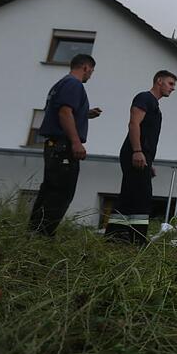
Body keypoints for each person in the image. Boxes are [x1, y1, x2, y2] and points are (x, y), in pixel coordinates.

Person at [28, 53, 102, 236]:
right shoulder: (73, 84)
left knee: (50, 189)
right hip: (63, 147)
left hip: (54, 146)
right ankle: (43, 235)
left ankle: (34, 232)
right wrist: (76, 142)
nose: (90, 75)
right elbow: (64, 113)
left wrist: (85, 113)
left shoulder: (60, 84)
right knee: (61, 192)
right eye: (91, 71)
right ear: (85, 67)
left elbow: (63, 112)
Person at [105, 70, 177, 243]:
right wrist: (137, 151)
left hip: (141, 155)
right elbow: (134, 123)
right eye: (170, 84)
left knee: (129, 194)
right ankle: (137, 238)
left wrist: (148, 160)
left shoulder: (154, 105)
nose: (173, 88)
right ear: (159, 81)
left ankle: (116, 236)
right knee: (142, 196)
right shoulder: (144, 98)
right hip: (134, 153)